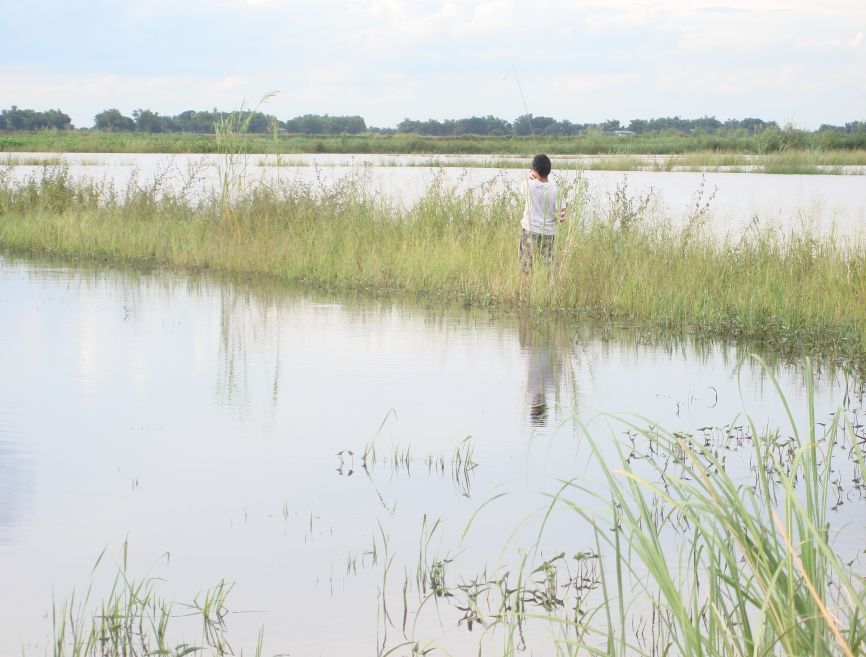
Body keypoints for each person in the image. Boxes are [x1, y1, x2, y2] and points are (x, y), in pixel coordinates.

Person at [518, 154, 558, 272]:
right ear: (549, 170)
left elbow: (527, 181)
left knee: (526, 266)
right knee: (547, 266)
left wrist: (533, 174)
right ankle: (546, 289)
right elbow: (561, 216)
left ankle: (525, 289)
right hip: (548, 232)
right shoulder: (556, 189)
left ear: (534, 170)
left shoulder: (528, 185)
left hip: (529, 229)